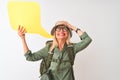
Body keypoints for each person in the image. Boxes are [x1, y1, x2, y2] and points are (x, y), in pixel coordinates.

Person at [18, 21, 92, 80]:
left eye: (65, 29)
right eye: (58, 29)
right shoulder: (49, 48)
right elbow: (30, 57)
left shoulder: (72, 48)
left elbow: (87, 40)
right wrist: (23, 38)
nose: (61, 31)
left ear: (68, 33)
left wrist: (72, 27)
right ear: (54, 33)